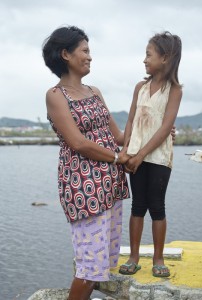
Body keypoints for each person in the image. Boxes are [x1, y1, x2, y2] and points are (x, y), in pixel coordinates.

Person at [42, 25, 131, 300]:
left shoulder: (94, 91)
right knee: (89, 268)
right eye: (85, 51)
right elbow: (77, 142)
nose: (90, 57)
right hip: (84, 187)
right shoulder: (56, 95)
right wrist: (117, 158)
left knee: (102, 263)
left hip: (110, 184)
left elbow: (117, 136)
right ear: (65, 54)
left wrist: (156, 132)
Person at [119, 31, 182, 277]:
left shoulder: (174, 90)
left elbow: (166, 127)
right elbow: (131, 120)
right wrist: (126, 151)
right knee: (137, 205)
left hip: (159, 158)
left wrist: (141, 154)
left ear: (165, 58)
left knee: (157, 206)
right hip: (135, 156)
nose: (144, 60)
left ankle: (158, 258)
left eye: (149, 54)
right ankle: (134, 257)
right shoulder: (140, 87)